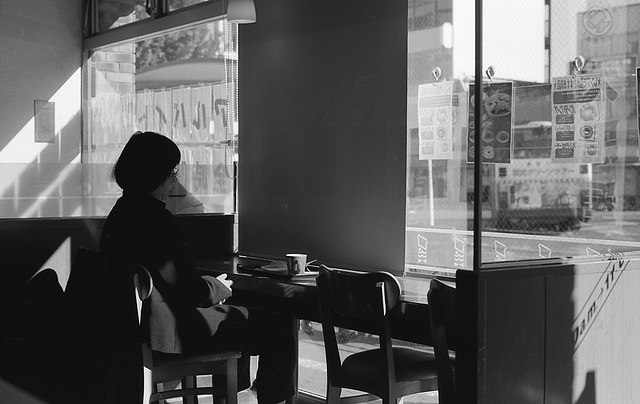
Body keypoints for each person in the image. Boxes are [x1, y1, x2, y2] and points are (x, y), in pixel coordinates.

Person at [99, 131, 295, 404]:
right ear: (158, 174)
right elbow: (190, 292)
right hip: (168, 332)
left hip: (135, 330)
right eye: (172, 172)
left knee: (240, 319)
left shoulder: (120, 214)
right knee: (280, 325)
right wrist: (218, 287)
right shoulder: (157, 220)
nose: (174, 181)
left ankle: (236, 393)